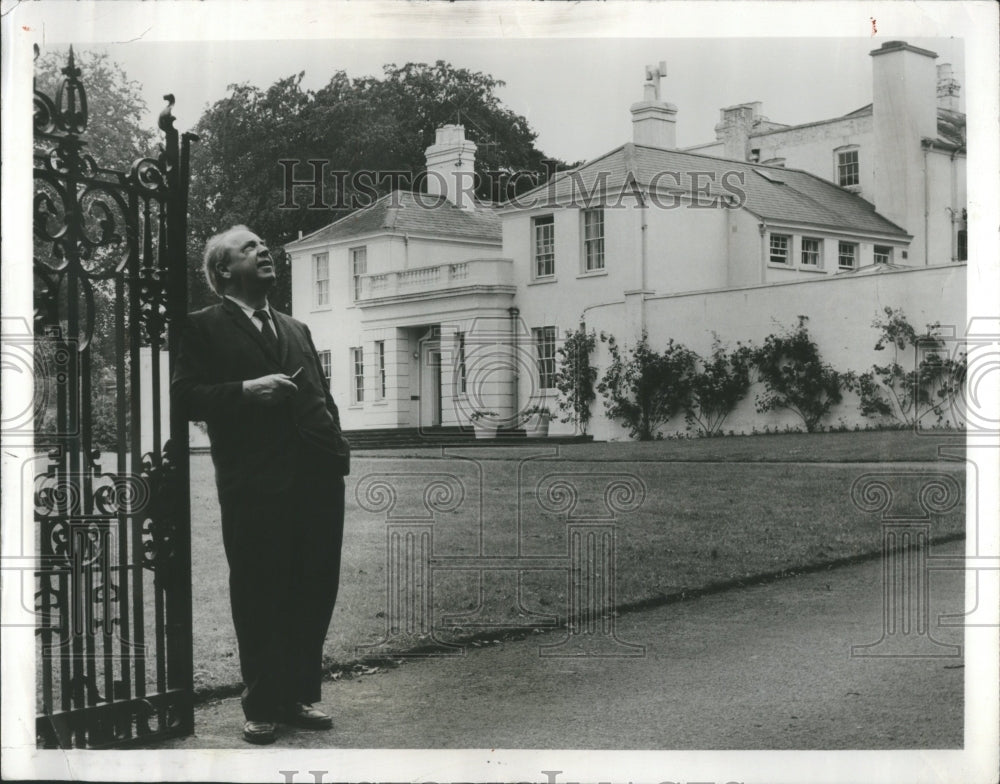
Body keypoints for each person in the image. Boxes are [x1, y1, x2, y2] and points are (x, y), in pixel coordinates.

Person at [172, 225, 350, 745]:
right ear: (223, 270)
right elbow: (183, 397)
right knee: (259, 590)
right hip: (254, 484)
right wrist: (246, 391)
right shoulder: (202, 327)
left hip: (317, 478)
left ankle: (296, 697)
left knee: (313, 586)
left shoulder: (297, 328)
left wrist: (337, 447)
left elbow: (322, 395)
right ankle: (263, 704)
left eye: (263, 245)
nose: (263, 250)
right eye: (248, 248)